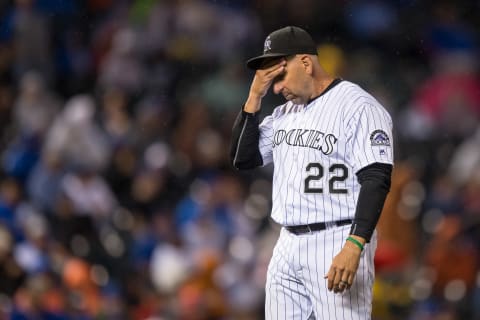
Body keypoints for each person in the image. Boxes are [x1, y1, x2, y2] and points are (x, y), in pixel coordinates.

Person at [230, 26, 393, 319]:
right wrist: (254, 96)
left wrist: (355, 244)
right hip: (287, 242)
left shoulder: (358, 107)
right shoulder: (283, 114)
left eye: (279, 75)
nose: (276, 87)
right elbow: (243, 158)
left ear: (305, 63)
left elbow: (376, 179)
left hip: (337, 237)